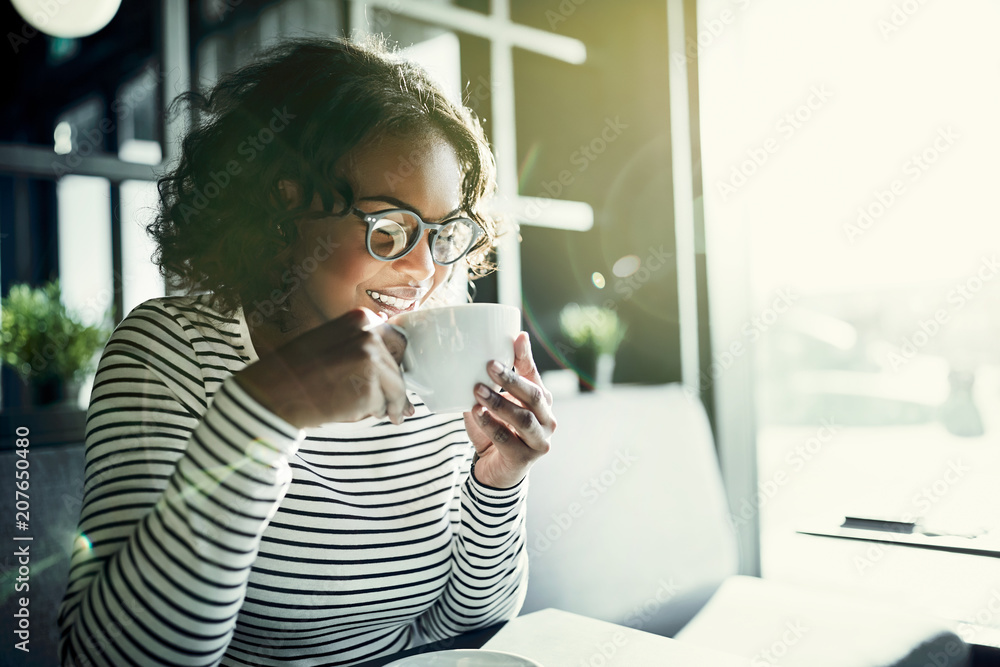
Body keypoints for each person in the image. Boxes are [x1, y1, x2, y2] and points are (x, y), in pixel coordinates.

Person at [57, 36, 556, 667]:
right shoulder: (170, 353)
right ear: (283, 204)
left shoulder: (436, 358)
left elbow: (463, 623)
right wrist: (264, 412)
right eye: (391, 228)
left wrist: (496, 485)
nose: (424, 270)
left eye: (443, 234)